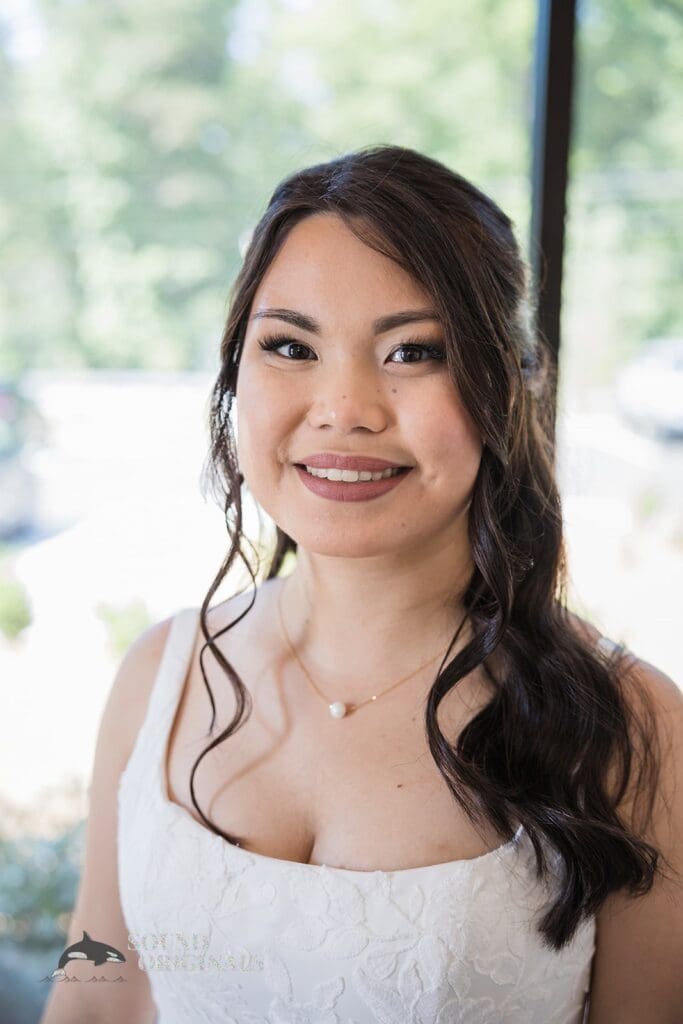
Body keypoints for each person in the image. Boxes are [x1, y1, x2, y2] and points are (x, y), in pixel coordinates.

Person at [40, 145, 683, 1024]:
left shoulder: (630, 724)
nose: (343, 408)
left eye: (413, 350)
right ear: (237, 375)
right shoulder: (161, 673)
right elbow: (96, 998)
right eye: (290, 346)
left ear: (505, 383)